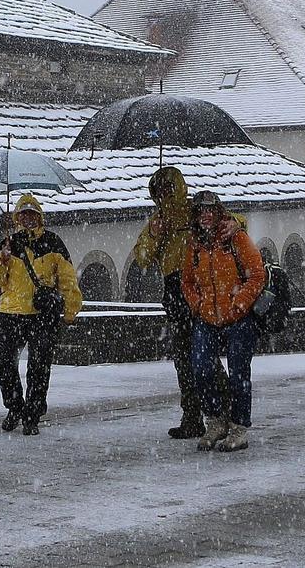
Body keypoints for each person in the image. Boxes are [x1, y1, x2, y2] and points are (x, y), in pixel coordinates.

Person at [130, 165, 224, 439]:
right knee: (184, 359)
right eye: (159, 190)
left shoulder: (195, 211)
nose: (164, 194)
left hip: (201, 288)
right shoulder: (158, 220)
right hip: (175, 292)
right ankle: (193, 415)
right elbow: (142, 257)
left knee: (204, 356)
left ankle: (221, 411)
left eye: (168, 188)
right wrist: (155, 234)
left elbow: (232, 223)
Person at [0, 193, 81, 435]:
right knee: (3, 363)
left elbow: (67, 279)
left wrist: (70, 310)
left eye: (32, 214)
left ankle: (32, 416)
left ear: (39, 217)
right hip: (11, 313)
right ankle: (15, 407)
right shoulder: (8, 244)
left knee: (39, 368)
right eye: (23, 214)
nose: (28, 218)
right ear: (17, 217)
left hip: (42, 314)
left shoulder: (53, 243)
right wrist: (1, 259)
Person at [180, 190, 266, 453]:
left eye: (210, 210)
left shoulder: (236, 238)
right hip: (207, 317)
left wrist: (239, 303)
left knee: (239, 373)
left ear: (218, 213)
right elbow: (187, 281)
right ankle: (216, 420)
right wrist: (198, 305)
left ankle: (239, 427)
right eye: (200, 211)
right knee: (201, 369)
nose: (205, 216)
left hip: (238, 318)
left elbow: (257, 274)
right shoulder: (194, 245)